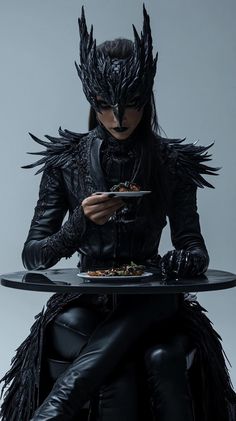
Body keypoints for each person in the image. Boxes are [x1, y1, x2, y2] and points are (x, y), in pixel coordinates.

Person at [1, 5, 236, 421]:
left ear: (146, 97)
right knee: (121, 369)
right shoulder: (67, 163)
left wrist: (184, 261)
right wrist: (79, 223)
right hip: (84, 302)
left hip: (153, 297)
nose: (119, 118)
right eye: (107, 105)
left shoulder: (171, 162)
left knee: (160, 345)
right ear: (93, 100)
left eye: (131, 103)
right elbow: (33, 256)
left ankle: (53, 412)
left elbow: (193, 246)